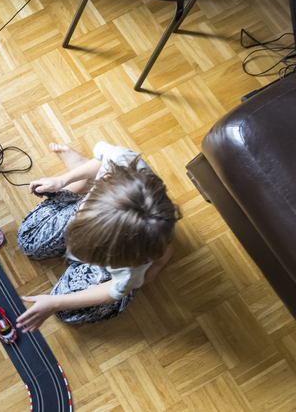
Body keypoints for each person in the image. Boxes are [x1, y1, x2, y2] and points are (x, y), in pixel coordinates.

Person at [15, 141, 180, 333]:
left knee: (65, 312)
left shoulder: (132, 266)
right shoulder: (120, 159)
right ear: (105, 179)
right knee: (29, 241)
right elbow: (102, 160)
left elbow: (115, 290)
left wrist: (55, 302)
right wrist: (63, 180)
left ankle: (162, 254)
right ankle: (80, 173)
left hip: (131, 254)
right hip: (107, 214)